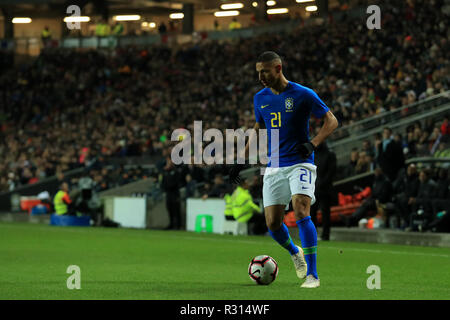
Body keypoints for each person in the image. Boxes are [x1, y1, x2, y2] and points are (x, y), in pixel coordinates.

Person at [229, 51, 338, 288]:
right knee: (273, 224)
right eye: (258, 72)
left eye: (264, 71)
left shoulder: (303, 94)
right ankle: (293, 250)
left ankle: (313, 275)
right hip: (275, 166)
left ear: (278, 68)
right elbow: (258, 127)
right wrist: (241, 159)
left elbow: (331, 120)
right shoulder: (260, 98)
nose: (260, 77)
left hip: (301, 162)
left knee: (301, 210)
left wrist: (313, 143)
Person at [310, 141, 337, 241]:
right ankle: (313, 235)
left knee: (325, 213)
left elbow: (332, 171)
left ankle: (325, 235)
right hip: (314, 188)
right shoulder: (313, 154)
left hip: (325, 189)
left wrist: (322, 183)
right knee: (312, 213)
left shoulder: (329, 154)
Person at [161, 157, 182, 230]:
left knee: (176, 209)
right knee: (169, 209)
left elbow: (176, 183)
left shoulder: (176, 172)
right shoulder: (165, 172)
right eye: (168, 162)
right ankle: (171, 224)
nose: (168, 164)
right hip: (168, 194)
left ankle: (178, 225)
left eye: (170, 162)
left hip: (175, 193)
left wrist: (168, 186)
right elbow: (163, 182)